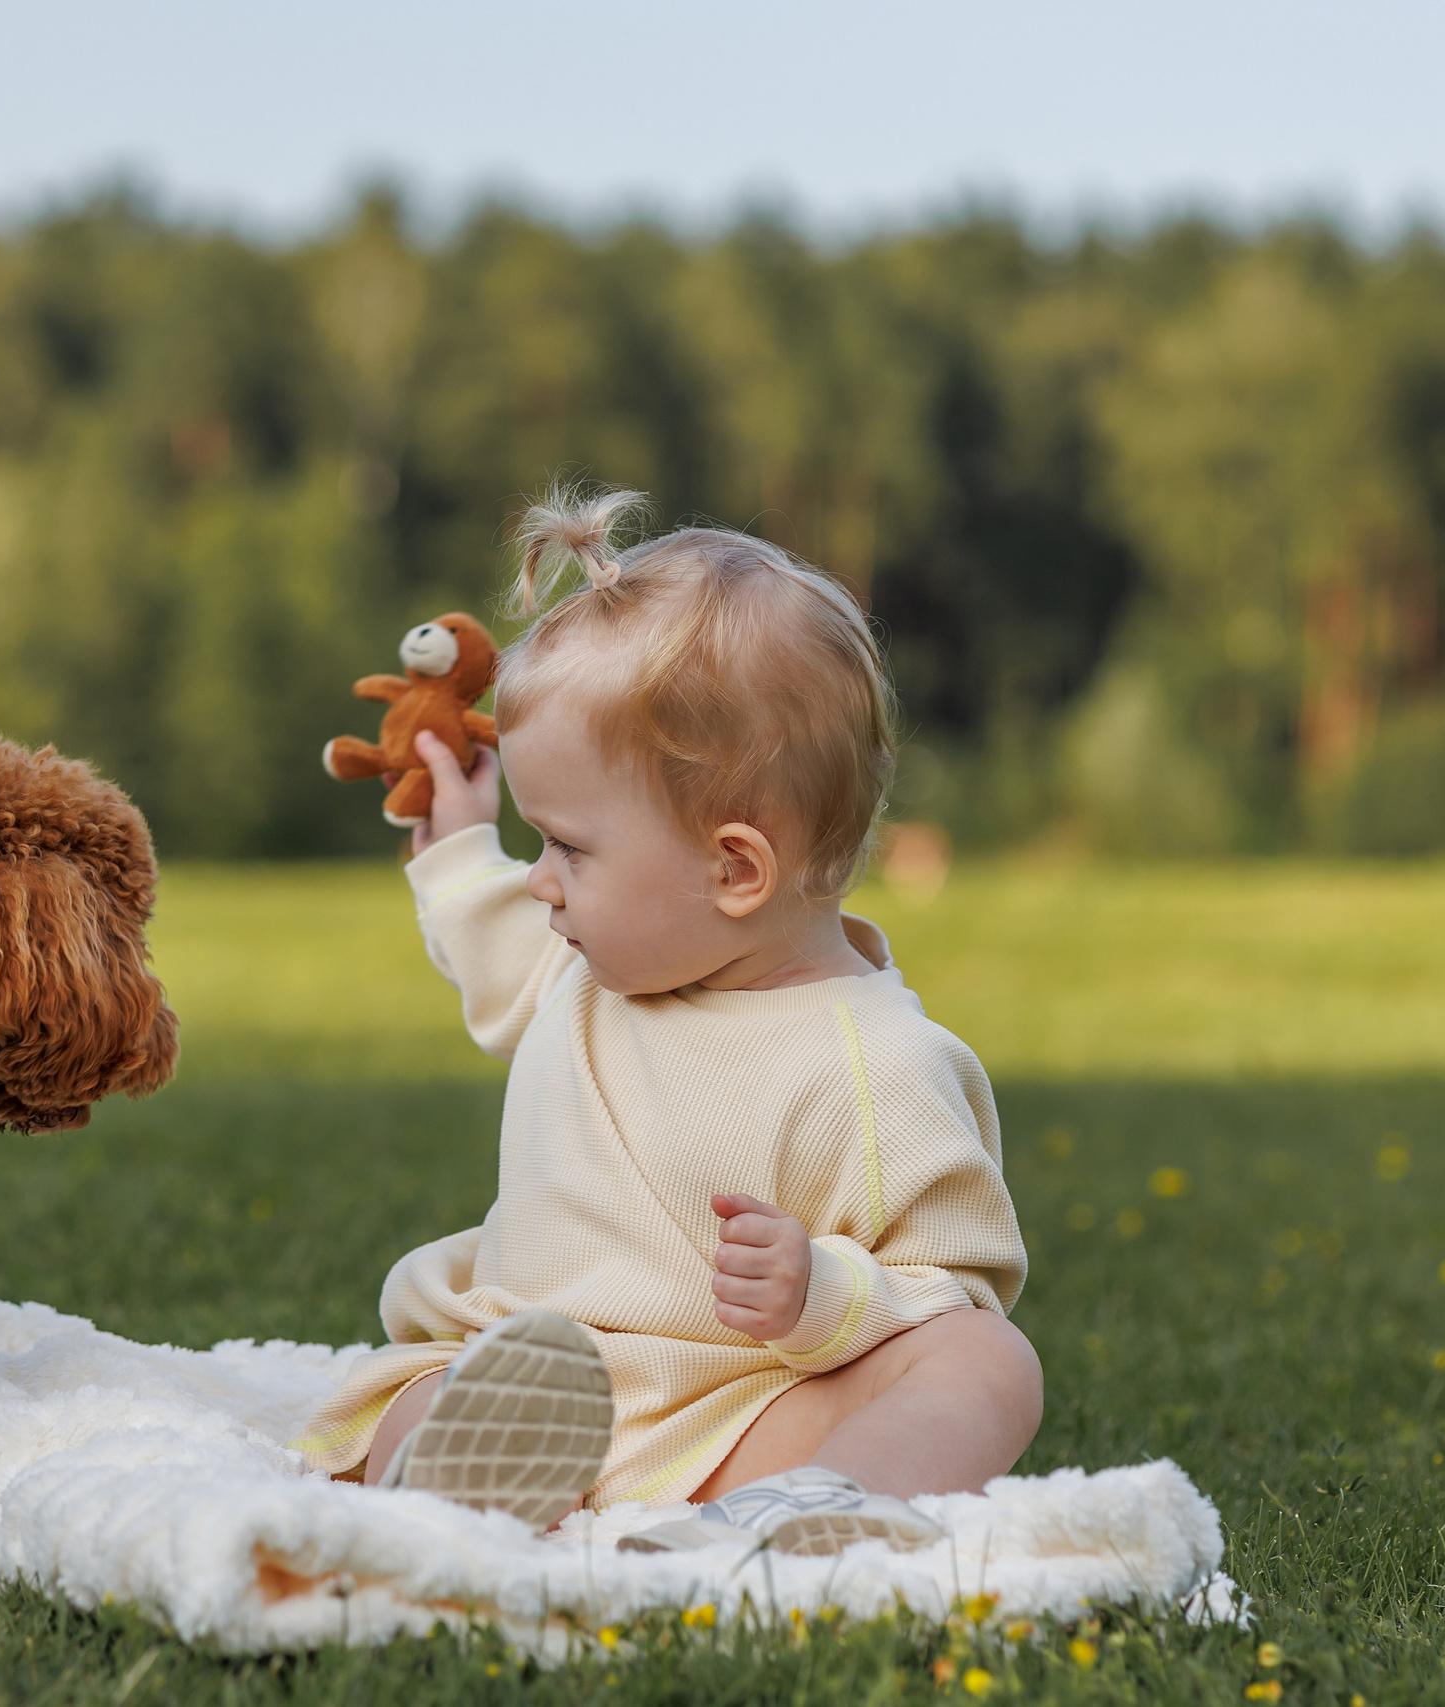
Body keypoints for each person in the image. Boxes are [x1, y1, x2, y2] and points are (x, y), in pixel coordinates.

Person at [289, 487, 1042, 1555]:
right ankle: (457, 1492)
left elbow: (951, 1286)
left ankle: (805, 1513)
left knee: (988, 1366)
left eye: (569, 849)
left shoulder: (876, 1066)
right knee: (419, 1393)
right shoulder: (589, 968)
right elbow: (493, 942)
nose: (542, 884)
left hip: (730, 1418)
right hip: (522, 1378)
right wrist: (458, 842)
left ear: (733, 868)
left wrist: (822, 1289)